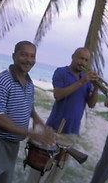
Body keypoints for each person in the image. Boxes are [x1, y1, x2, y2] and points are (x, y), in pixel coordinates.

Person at [0, 40, 56, 183]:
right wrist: (30, 134)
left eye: (32, 56)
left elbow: (28, 104)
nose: (29, 60)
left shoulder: (29, 82)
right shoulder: (3, 80)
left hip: (13, 146)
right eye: (24, 55)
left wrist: (38, 121)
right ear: (13, 56)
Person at [27, 47, 100, 182]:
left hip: (72, 132)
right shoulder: (61, 72)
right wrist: (81, 82)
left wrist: (95, 87)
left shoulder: (86, 79)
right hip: (54, 128)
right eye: (80, 58)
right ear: (73, 57)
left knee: (57, 172)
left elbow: (92, 104)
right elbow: (58, 95)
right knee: (40, 170)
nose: (82, 62)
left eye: (86, 60)